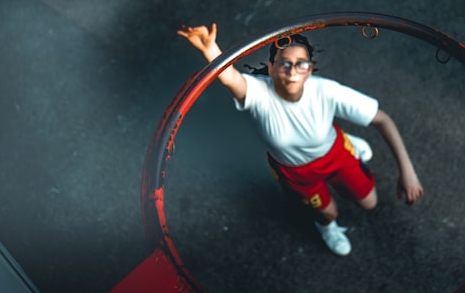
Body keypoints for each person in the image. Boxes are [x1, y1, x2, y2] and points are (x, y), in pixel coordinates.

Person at [177, 22, 424, 256]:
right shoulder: (257, 93)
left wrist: (408, 171)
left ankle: (347, 139)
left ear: (310, 70)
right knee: (328, 213)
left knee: (369, 203)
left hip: (334, 152)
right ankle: (327, 229)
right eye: (284, 64)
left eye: (301, 64)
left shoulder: (325, 91)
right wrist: (211, 49)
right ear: (272, 68)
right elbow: (230, 78)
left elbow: (383, 120)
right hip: (294, 170)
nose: (292, 71)